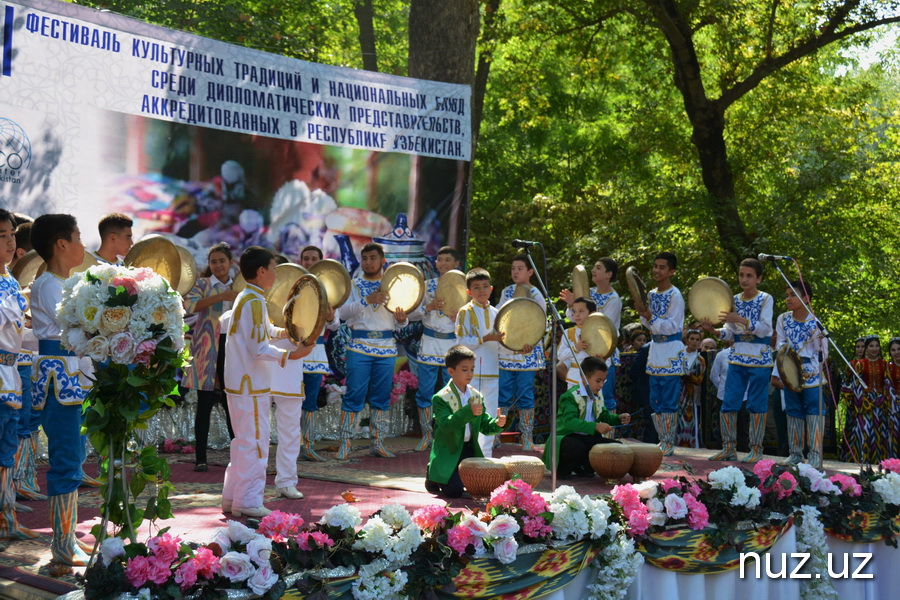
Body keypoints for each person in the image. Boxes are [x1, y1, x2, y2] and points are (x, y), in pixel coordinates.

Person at [221, 247, 308, 518]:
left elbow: (265, 331)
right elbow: (259, 347)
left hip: (242, 383)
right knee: (255, 442)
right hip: (250, 384)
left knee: (243, 441)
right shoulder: (253, 300)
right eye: (273, 268)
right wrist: (291, 355)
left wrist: (286, 331)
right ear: (261, 271)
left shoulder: (248, 297)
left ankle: (234, 497)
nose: (275, 274)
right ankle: (247, 499)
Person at [30, 214, 92, 564]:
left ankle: (67, 536)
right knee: (65, 458)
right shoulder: (50, 285)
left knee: (74, 456)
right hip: (59, 377)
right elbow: (75, 328)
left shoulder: (63, 282)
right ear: (61, 244)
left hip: (71, 376)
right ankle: (62, 543)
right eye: (78, 237)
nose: (83, 245)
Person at [336, 243, 408, 460]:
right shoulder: (354, 285)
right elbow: (343, 313)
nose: (368, 262)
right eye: (365, 258)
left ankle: (378, 442)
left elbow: (401, 322)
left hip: (386, 348)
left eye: (373, 258)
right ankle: (345, 444)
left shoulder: (396, 286)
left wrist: (402, 321)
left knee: (381, 397)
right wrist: (367, 300)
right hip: (358, 346)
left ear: (382, 260)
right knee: (354, 395)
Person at [701, 257, 774, 463]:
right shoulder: (734, 299)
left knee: (757, 404)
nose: (744, 279)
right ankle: (728, 447)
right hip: (737, 356)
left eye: (749, 276)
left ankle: (756, 449)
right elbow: (730, 332)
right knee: (729, 402)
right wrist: (714, 331)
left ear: (758, 278)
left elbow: (766, 329)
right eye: (741, 275)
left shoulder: (765, 299)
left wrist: (741, 319)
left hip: (759, 357)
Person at [0, 209, 38, 541]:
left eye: (12, 234)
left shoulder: (11, 281)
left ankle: (6, 515)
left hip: (10, 373)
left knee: (7, 444)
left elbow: (18, 329)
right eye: (2, 236)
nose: (10, 242)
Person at [426, 345, 507, 498]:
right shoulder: (441, 397)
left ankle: (442, 475)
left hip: (469, 450)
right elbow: (445, 425)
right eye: (464, 370)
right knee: (454, 491)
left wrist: (497, 424)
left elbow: (484, 425)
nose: (469, 374)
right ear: (451, 371)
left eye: (472, 369)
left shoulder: (476, 396)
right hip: (448, 451)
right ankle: (433, 472)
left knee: (487, 485)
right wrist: (467, 411)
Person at [183, 243, 237, 472]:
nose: (217, 265)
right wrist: (221, 296)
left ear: (230, 262)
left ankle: (238, 456)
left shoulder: (240, 286)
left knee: (231, 402)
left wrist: (230, 294)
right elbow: (189, 305)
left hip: (233, 347)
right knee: (203, 403)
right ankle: (201, 457)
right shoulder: (203, 284)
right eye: (213, 261)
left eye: (221, 261)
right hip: (206, 347)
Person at [407, 246, 461, 452]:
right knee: (425, 391)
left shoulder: (464, 288)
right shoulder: (427, 286)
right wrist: (428, 308)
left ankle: (447, 435)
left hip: (452, 344)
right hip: (429, 341)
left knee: (451, 391)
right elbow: (410, 315)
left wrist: (458, 318)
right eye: (440, 260)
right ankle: (427, 435)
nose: (443, 264)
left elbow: (471, 319)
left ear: (456, 263)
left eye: (448, 260)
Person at [542, 357, 631, 478]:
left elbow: (603, 415)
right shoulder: (570, 396)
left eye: (603, 381)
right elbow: (570, 422)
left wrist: (618, 418)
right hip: (565, 437)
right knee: (576, 447)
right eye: (598, 381)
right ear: (584, 378)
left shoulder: (598, 395)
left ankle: (581, 467)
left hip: (586, 437)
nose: (601, 385)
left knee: (616, 447)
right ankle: (562, 470)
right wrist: (595, 426)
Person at [773, 280, 828, 468]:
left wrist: (809, 370)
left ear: (806, 298)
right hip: (790, 371)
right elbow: (779, 343)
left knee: (814, 412)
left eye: (793, 295)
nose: (788, 298)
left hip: (811, 373)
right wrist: (786, 361)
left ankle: (814, 455)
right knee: (793, 411)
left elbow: (822, 353)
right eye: (787, 294)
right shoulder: (783, 319)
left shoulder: (815, 323)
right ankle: (795, 453)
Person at [636, 252, 685, 456]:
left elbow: (673, 325)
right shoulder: (651, 294)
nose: (657, 270)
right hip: (655, 350)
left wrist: (651, 318)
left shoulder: (675, 295)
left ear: (671, 271)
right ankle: (661, 439)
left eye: (662, 267)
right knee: (655, 398)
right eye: (655, 266)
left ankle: (668, 441)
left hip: (672, 350)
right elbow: (645, 321)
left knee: (669, 399)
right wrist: (647, 317)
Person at [496, 254, 545, 451]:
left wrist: (531, 342)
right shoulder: (506, 292)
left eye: (520, 268)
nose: (515, 272)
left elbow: (540, 323)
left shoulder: (537, 295)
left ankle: (527, 437)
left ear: (530, 272)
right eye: (513, 268)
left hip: (527, 352)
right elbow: (498, 317)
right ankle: (496, 433)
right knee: (503, 394)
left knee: (525, 394)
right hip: (506, 352)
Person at [560, 258, 622, 412]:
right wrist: (571, 304)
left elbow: (603, 327)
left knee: (604, 401)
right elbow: (572, 316)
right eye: (594, 267)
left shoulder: (614, 299)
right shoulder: (590, 293)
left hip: (602, 354)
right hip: (581, 359)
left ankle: (608, 434)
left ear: (609, 274)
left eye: (598, 268)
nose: (593, 270)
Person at [296, 246, 339, 462]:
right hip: (293, 350)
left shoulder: (328, 289)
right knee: (289, 400)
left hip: (315, 352)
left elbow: (336, 324)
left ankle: (308, 445)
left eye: (313, 258)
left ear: (320, 262)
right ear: (300, 260)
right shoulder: (291, 284)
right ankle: (289, 446)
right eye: (306, 258)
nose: (309, 261)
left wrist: (331, 317)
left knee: (310, 401)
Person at [455, 268, 504, 457]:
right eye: (476, 287)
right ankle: (464, 456)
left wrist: (519, 347)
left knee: (490, 415)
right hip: (470, 373)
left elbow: (504, 343)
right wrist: (484, 338)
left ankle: (485, 458)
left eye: (485, 287)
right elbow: (461, 342)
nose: (481, 291)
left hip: (492, 371)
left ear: (491, 289)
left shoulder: (498, 313)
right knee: (468, 413)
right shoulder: (464, 312)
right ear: (469, 292)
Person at [841, 334, 890, 463]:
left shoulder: (885, 365)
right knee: (865, 431)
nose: (874, 349)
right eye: (871, 346)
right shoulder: (858, 364)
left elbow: (887, 384)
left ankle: (879, 462)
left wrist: (883, 398)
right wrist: (860, 400)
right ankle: (861, 461)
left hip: (881, 404)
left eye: (877, 346)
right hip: (863, 404)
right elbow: (852, 385)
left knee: (880, 432)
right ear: (867, 348)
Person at [556, 297, 597, 389]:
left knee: (595, 403)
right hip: (575, 378)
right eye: (574, 311)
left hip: (595, 377)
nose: (577, 315)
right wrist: (575, 348)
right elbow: (560, 355)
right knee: (576, 402)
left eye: (581, 311)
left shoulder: (599, 332)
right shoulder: (569, 333)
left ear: (592, 313)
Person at [676, 329, 705, 448]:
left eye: (697, 340)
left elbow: (699, 380)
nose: (694, 342)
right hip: (675, 391)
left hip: (689, 395)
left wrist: (688, 375)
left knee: (688, 421)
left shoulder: (700, 360)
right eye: (692, 339)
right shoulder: (678, 354)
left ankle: (689, 445)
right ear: (686, 340)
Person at [887, 337, 900, 454]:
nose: (896, 352)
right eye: (893, 350)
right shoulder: (888, 368)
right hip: (893, 406)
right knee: (894, 434)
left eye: (899, 349)